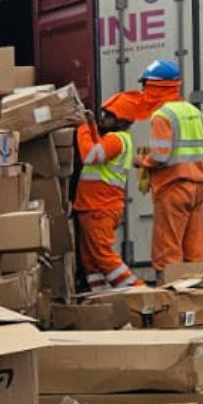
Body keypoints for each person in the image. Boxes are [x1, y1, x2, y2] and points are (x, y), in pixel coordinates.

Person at [135, 59, 203, 272]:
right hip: (198, 188)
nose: (143, 91)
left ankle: (169, 290)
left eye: (145, 85)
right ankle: (195, 289)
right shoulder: (196, 113)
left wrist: (141, 161)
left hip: (173, 187)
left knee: (167, 250)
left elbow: (160, 156)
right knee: (193, 251)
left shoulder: (163, 115)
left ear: (156, 86)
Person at [74, 95, 141, 289]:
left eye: (108, 116)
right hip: (95, 206)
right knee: (91, 260)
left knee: (103, 256)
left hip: (99, 207)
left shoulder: (115, 139)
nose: (103, 118)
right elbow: (98, 147)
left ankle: (139, 291)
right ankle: (101, 297)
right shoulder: (118, 139)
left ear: (120, 121)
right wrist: (91, 124)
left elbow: (90, 155)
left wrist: (82, 127)